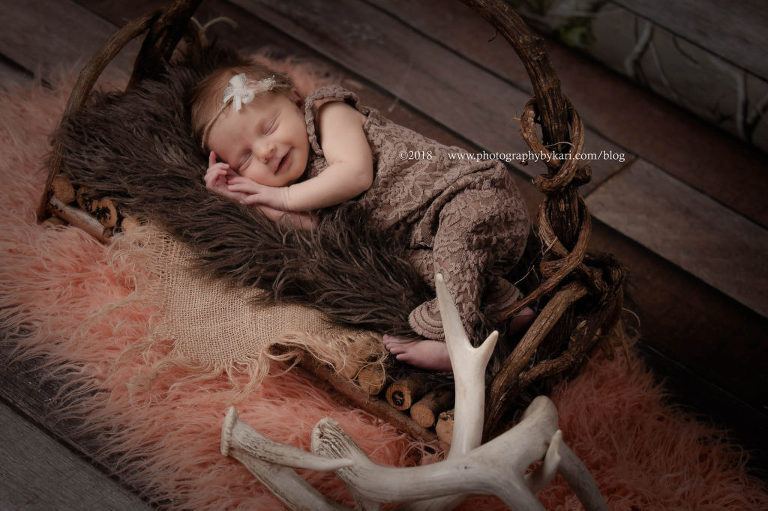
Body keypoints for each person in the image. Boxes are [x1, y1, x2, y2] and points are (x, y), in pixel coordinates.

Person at [191, 59, 534, 371]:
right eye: (245, 159)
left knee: (456, 238)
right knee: (423, 269)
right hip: (433, 241)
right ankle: (508, 308)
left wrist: (281, 196)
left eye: (268, 128)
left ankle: (454, 343)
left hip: (472, 195)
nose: (265, 151)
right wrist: (246, 199)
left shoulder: (327, 114)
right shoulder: (300, 190)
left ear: (295, 100)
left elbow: (356, 174)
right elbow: (317, 231)